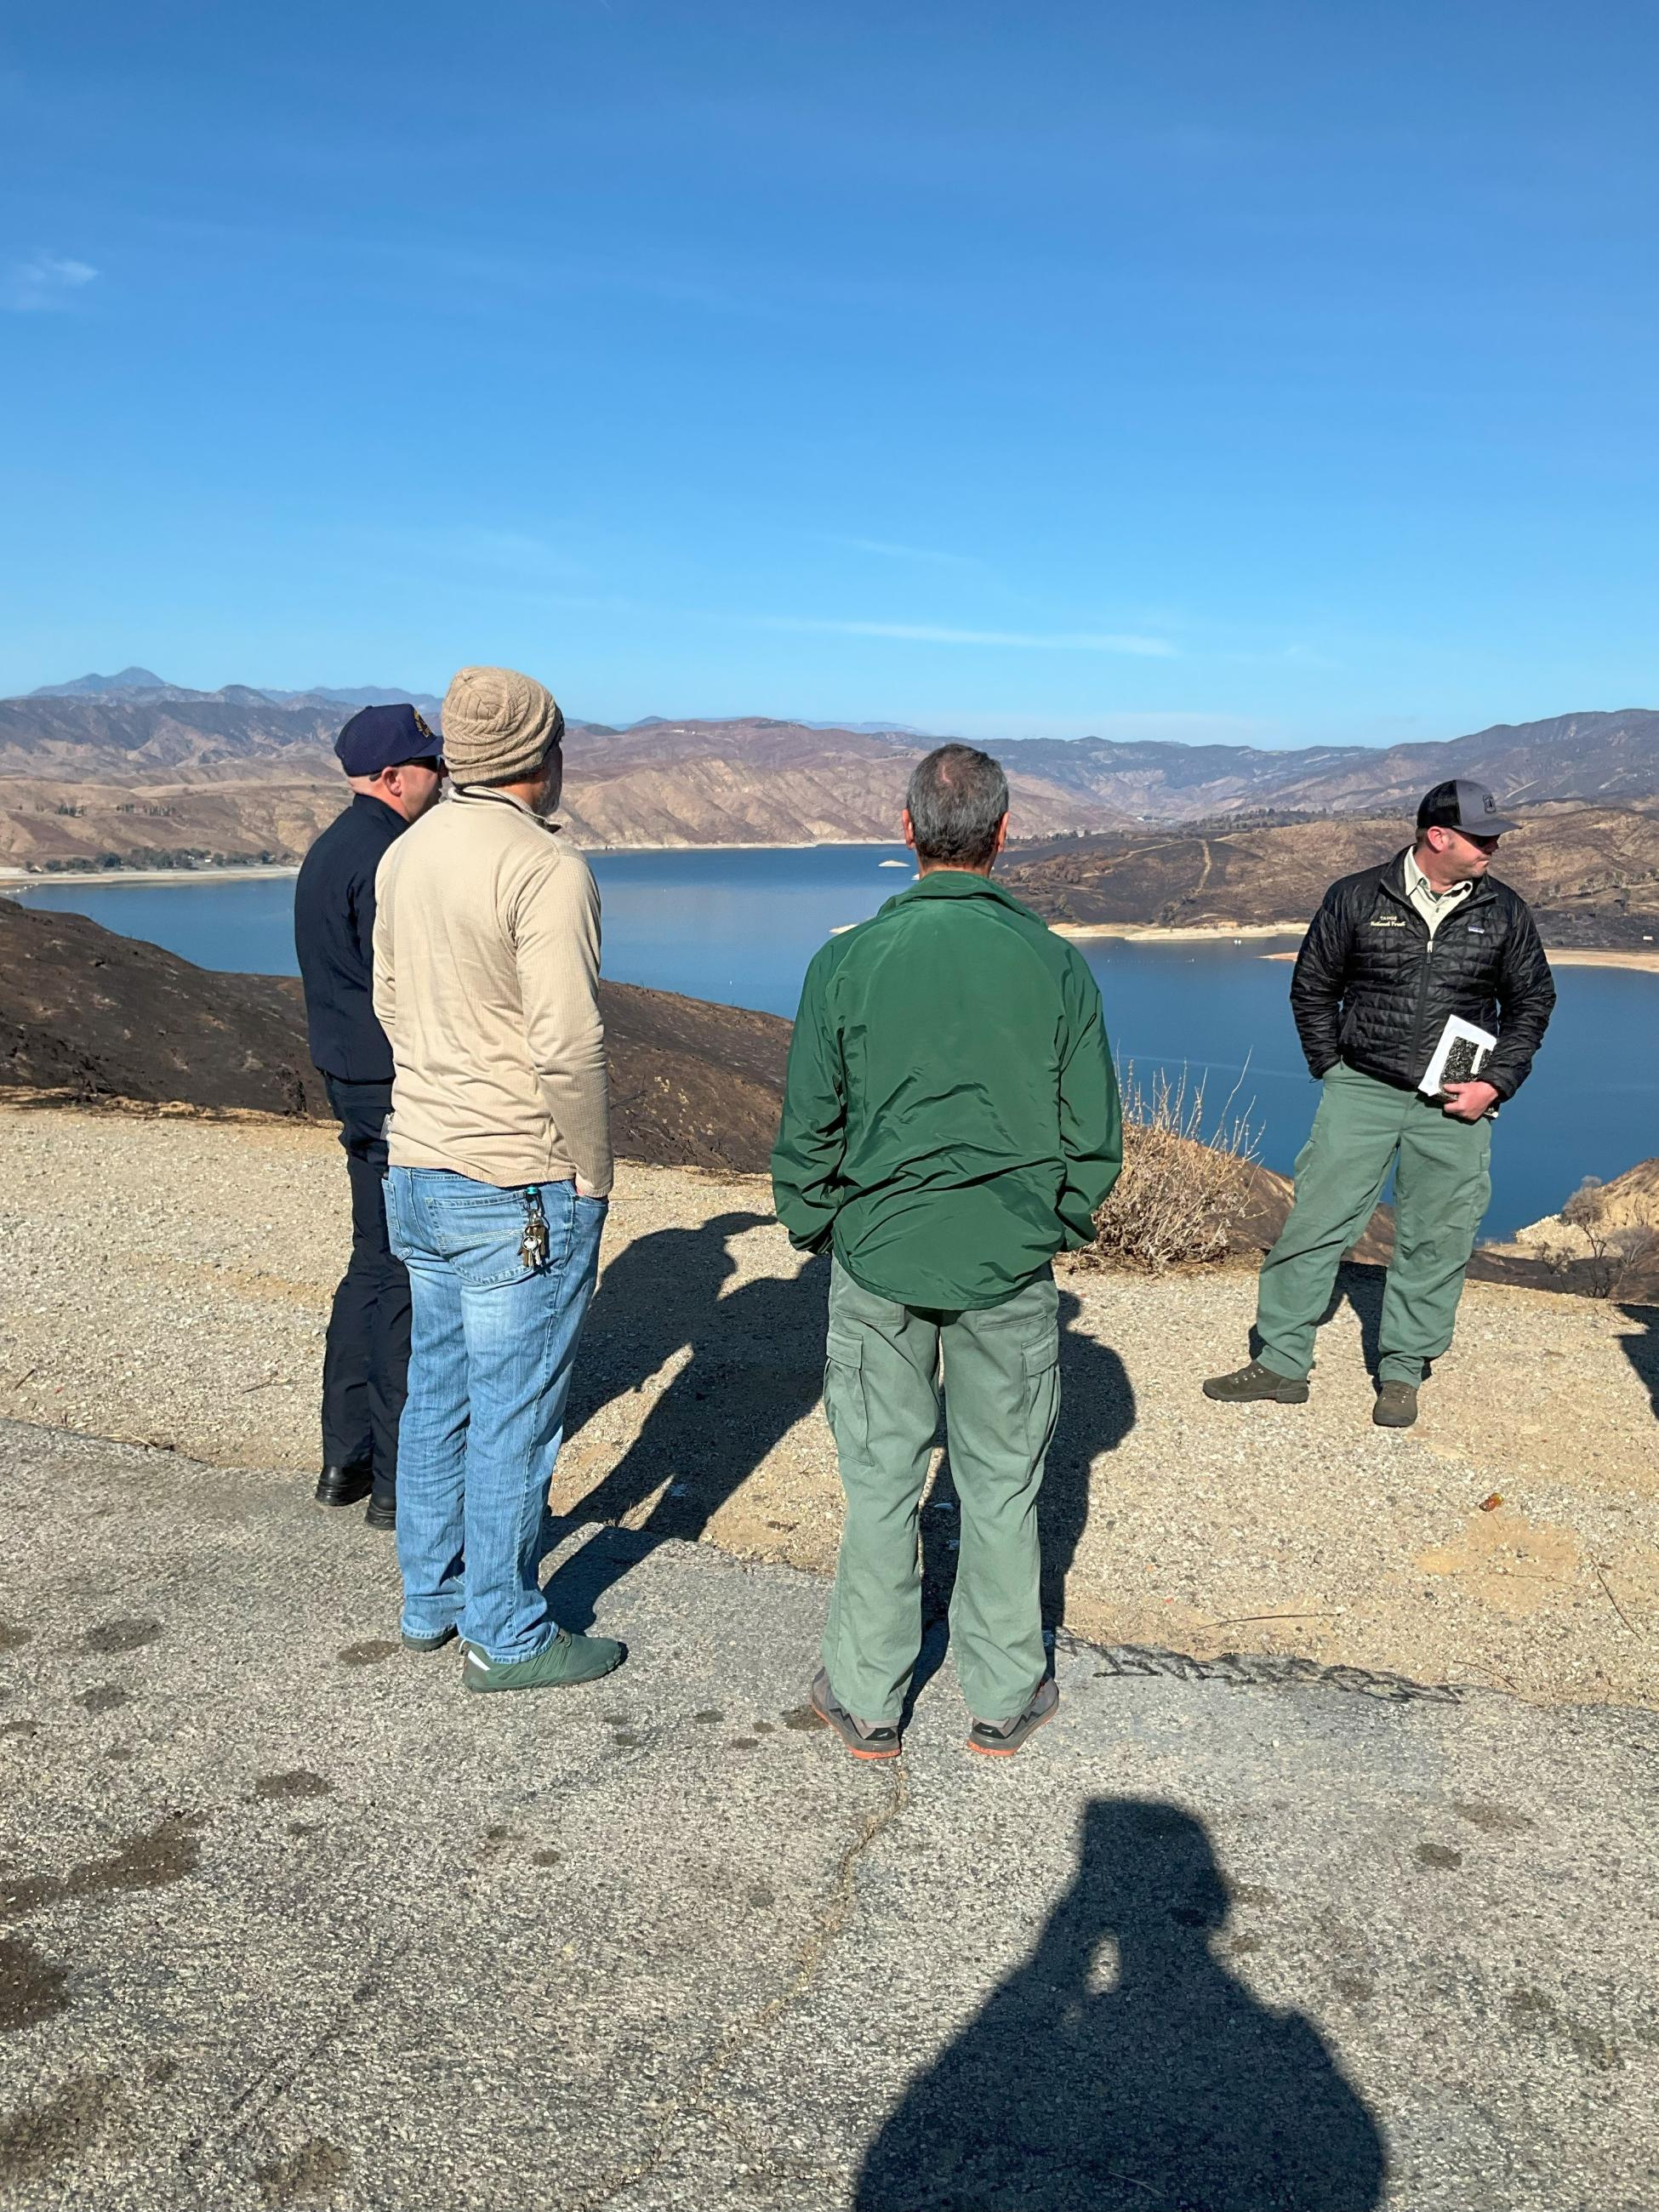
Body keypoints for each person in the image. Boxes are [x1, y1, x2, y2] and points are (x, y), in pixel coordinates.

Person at [772, 744, 1122, 1760]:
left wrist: (822, 1222)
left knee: (883, 1479)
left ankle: (869, 1700)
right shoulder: (1055, 963)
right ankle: (1003, 1697)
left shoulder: (846, 961)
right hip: (1008, 1265)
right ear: (1004, 833)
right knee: (1003, 1482)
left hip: (878, 1254)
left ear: (907, 826)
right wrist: (1050, 1222)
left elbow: (807, 1129)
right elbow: (1092, 1132)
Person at [373, 664, 623, 1693]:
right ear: (543, 755)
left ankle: (428, 1597)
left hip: (419, 1161)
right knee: (516, 1412)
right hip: (517, 1179)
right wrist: (593, 1173)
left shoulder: (410, 847)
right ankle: (508, 1629)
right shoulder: (544, 867)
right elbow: (569, 1044)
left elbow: (389, 998)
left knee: (439, 1389)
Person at [1206, 778, 1555, 1428]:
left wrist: (1494, 1083)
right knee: (1315, 1224)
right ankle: (1282, 1362)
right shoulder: (1357, 896)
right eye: (1483, 837)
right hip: (1361, 1087)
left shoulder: (1504, 910)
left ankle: (1402, 1371)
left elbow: (1532, 1003)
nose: (1494, 847)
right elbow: (1312, 988)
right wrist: (1333, 1069)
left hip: (1457, 1097)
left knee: (1436, 1236)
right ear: (1437, 836)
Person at [294, 704, 445, 1529]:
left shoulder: (330, 847)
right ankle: (396, 1479)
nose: (441, 776)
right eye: (429, 764)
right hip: (391, 1085)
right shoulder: (390, 858)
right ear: (391, 778)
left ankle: (343, 1455)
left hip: (346, 1076)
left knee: (367, 1263)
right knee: (402, 1275)